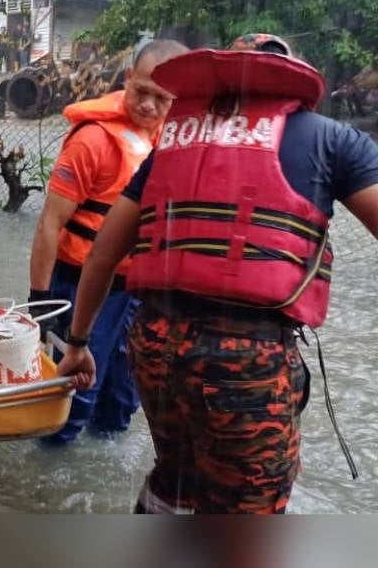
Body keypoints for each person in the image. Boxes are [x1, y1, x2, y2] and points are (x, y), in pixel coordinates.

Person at [58, 35, 378, 513]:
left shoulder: (174, 141)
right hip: (248, 361)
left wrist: (78, 344)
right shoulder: (332, 139)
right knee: (249, 508)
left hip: (156, 347)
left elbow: (103, 252)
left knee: (174, 478)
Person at [28, 39, 188, 444]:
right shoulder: (92, 141)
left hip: (135, 290)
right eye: (141, 91)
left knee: (122, 398)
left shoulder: (175, 144)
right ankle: (49, 472)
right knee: (74, 396)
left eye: (161, 98)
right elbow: (50, 223)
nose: (149, 106)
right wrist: (40, 301)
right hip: (81, 282)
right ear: (128, 78)